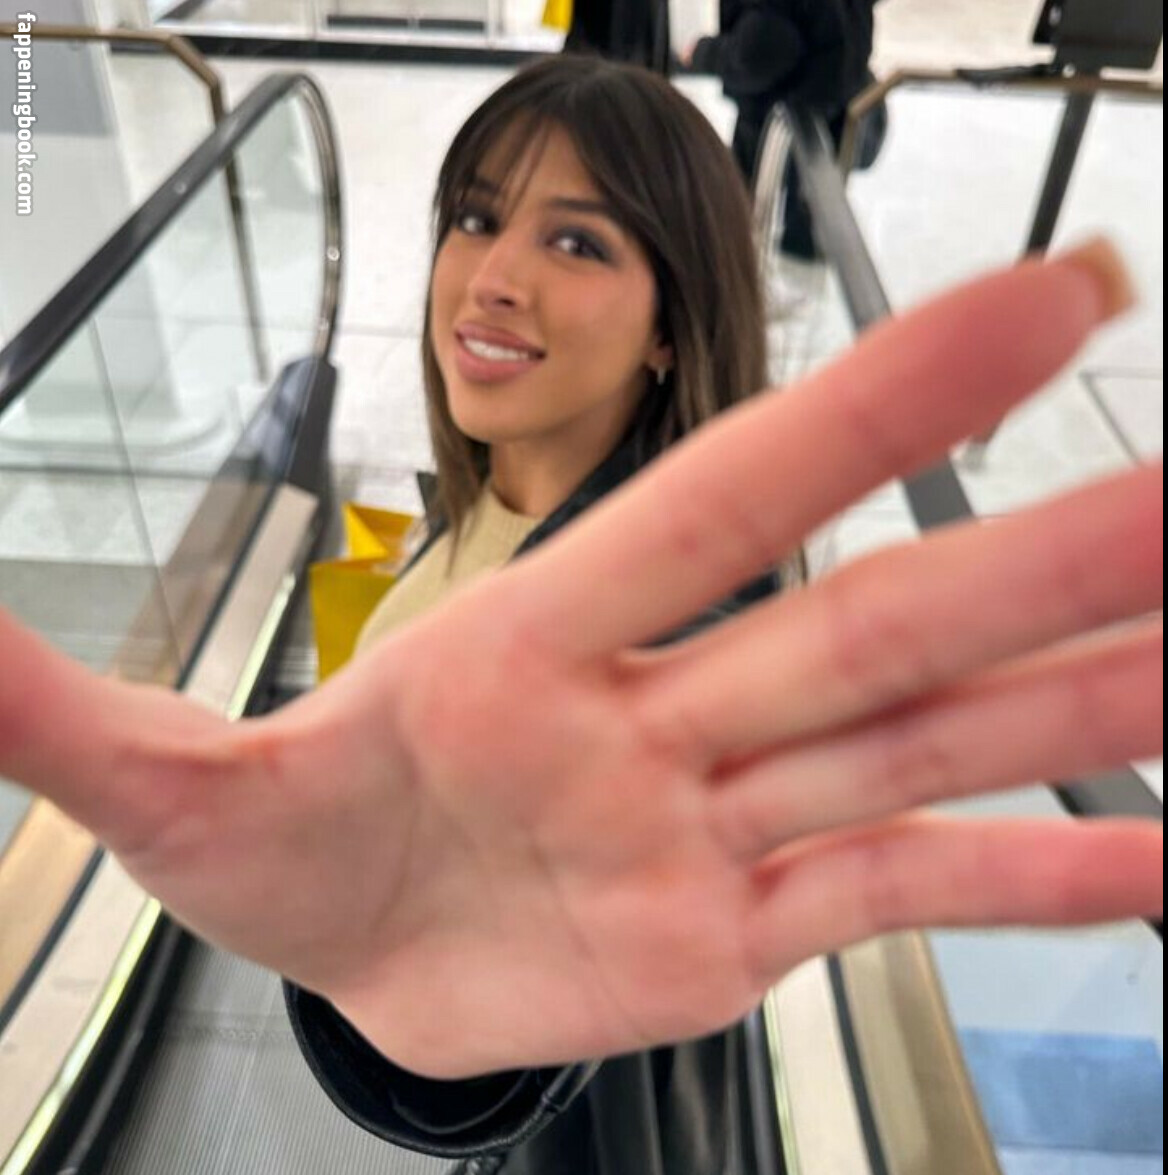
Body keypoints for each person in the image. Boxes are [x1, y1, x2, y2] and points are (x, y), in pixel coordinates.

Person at [0, 55, 1162, 1175]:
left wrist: (444, 1012)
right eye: (474, 217)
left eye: (577, 242)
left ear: (669, 323)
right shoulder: (490, 488)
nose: (492, 276)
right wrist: (380, 955)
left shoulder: (676, 639)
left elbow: (568, 971)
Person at [685, 0, 886, 260]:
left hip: (786, 124)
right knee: (808, 232)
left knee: (755, 237)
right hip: (832, 105)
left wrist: (704, 53)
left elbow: (760, 53)